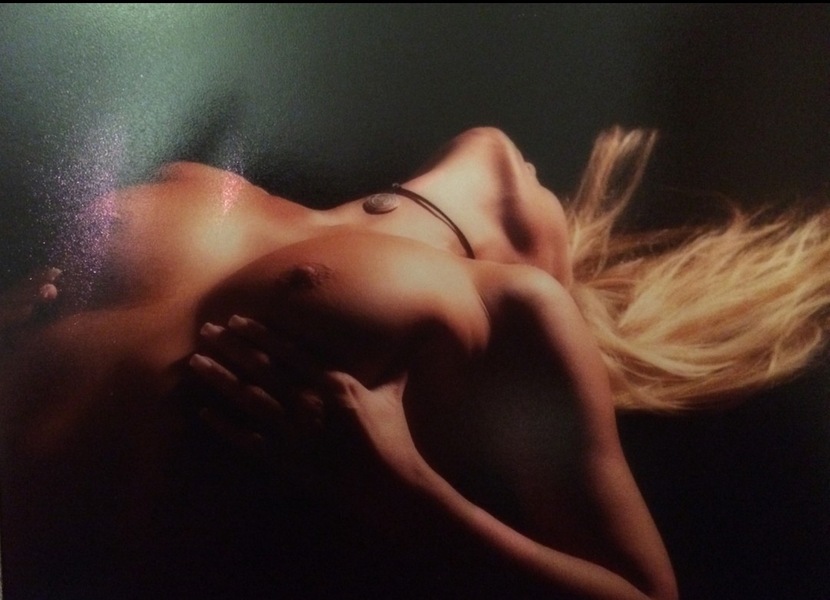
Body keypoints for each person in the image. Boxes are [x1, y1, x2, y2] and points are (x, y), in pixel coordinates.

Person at [1, 126, 827, 599]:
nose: (508, 156)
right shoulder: (199, 185)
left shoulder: (518, 306)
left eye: (534, 192)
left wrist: (404, 491)